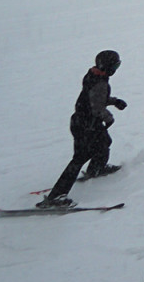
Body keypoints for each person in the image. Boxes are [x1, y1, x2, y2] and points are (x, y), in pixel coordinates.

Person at [36, 50, 127, 209]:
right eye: (115, 66)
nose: (116, 70)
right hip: (87, 125)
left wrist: (114, 101)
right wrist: (108, 117)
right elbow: (97, 107)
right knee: (80, 158)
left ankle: (96, 168)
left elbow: (94, 98)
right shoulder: (100, 83)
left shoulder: (94, 76)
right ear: (108, 67)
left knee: (104, 142)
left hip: (82, 122)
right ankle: (56, 197)